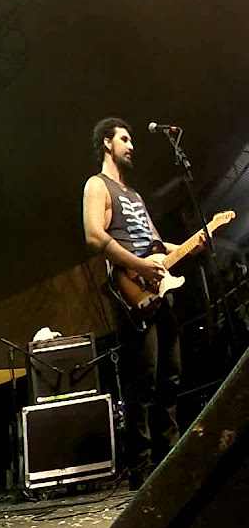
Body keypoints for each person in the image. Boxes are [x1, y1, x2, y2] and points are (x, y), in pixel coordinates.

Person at [81, 117, 200, 490]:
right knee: (142, 382)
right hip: (131, 291)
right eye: (125, 139)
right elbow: (94, 237)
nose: (132, 146)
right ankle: (142, 473)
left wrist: (196, 241)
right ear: (107, 143)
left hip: (159, 288)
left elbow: (158, 245)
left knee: (171, 375)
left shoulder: (135, 196)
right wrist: (138, 264)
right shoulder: (97, 185)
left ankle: (170, 460)